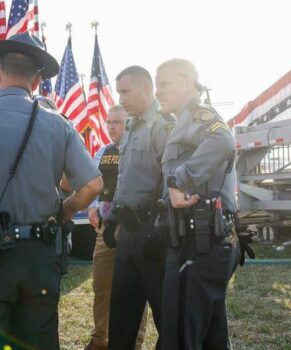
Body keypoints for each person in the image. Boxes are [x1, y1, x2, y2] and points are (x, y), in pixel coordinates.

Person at [0, 32, 103, 350]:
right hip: (39, 257)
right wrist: (63, 211)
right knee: (38, 340)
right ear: (37, 80)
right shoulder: (59, 125)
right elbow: (92, 185)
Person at [155, 58, 241, 350]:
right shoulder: (182, 123)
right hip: (200, 240)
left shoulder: (199, 115)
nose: (158, 91)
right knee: (212, 339)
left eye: (164, 83)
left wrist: (180, 180)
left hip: (199, 241)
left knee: (178, 338)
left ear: (188, 81)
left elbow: (223, 141)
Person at [104, 66, 171, 350]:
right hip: (128, 234)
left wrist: (161, 228)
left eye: (126, 91)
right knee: (121, 316)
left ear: (146, 88)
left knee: (166, 317)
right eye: (119, 92)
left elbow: (172, 180)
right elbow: (124, 177)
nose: (122, 98)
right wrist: (113, 218)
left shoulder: (163, 125)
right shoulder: (130, 127)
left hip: (153, 234)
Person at [85, 105, 147, 350]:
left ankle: (133, 344)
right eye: (109, 122)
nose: (112, 126)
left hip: (133, 228)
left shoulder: (143, 151)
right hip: (105, 229)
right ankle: (100, 340)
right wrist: (92, 206)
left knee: (134, 292)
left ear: (130, 123)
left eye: (118, 122)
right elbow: (94, 185)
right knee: (102, 288)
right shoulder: (102, 152)